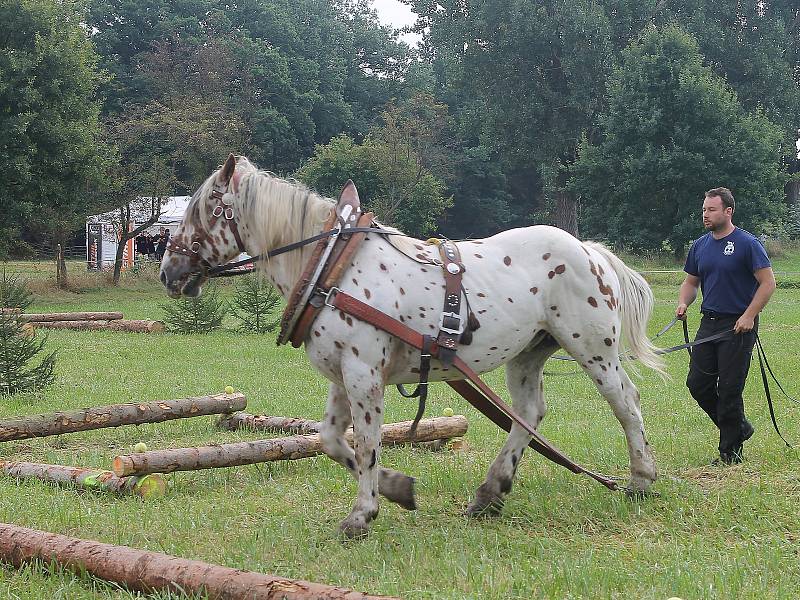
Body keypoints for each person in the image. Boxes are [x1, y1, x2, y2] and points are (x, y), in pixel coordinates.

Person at [676, 187, 776, 464]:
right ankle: (739, 428)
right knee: (698, 384)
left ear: (728, 211)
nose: (705, 215)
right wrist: (684, 302)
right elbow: (691, 282)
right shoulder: (700, 245)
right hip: (709, 323)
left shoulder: (747, 243)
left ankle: (730, 453)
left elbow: (768, 283)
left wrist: (749, 315)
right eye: (704, 210)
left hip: (739, 325)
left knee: (730, 389)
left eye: (711, 210)